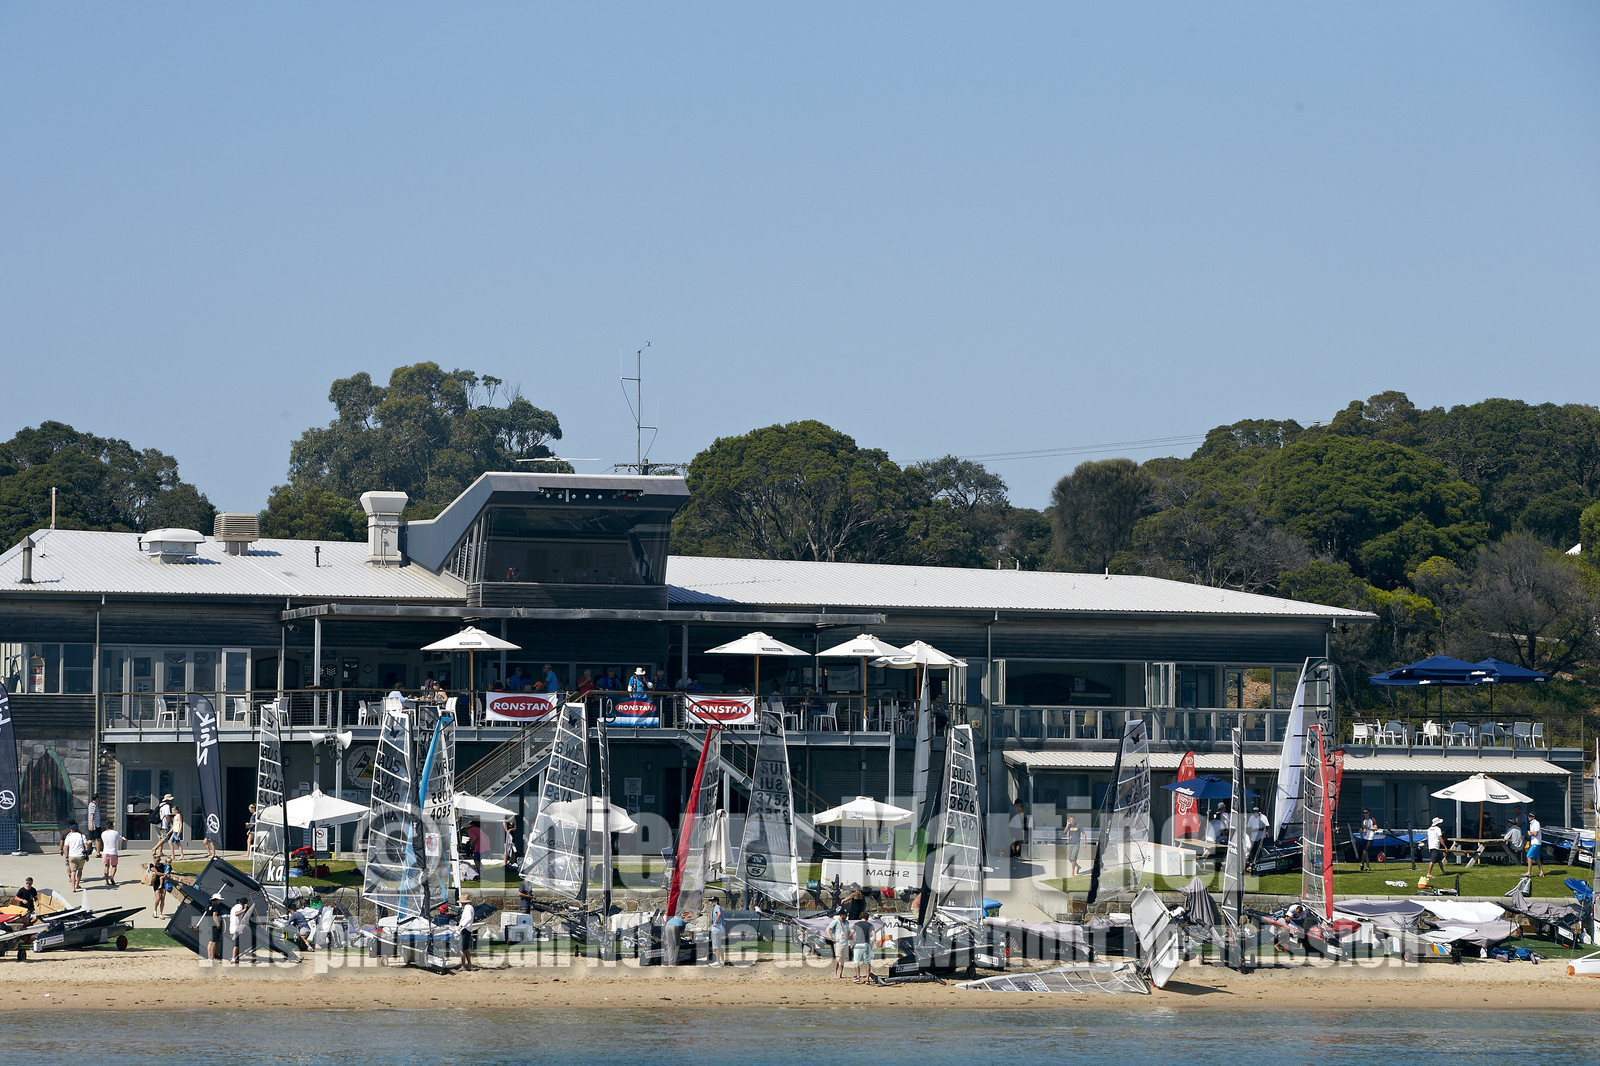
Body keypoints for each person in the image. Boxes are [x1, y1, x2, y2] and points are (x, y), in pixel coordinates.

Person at [61, 821, 88, 891]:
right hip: (80, 856)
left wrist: (66, 856)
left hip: (72, 856)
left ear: (71, 830)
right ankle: (77, 884)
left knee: (73, 872)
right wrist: (86, 853)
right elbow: (86, 846)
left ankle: (73, 888)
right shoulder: (82, 836)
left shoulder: (68, 836)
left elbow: (65, 847)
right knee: (80, 870)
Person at [205, 891, 228, 961]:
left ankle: (209, 957)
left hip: (209, 924)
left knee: (210, 941)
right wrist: (218, 924)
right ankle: (212, 957)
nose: (220, 901)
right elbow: (214, 916)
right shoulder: (216, 906)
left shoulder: (209, 906)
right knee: (214, 942)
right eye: (219, 900)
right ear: (217, 900)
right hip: (214, 925)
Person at [1245, 804, 1271, 869]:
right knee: (1253, 850)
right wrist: (1251, 830)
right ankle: (1252, 862)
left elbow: (1267, 827)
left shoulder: (1263, 817)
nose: (1255, 814)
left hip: (1261, 837)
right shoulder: (1251, 817)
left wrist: (1259, 829)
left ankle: (1259, 862)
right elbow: (1249, 826)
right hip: (1253, 837)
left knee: (1259, 850)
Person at [850, 917, 873, 982]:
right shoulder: (870, 925)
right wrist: (871, 945)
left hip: (858, 944)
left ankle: (858, 977)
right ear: (867, 918)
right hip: (866, 943)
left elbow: (850, 935)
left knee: (856, 961)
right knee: (868, 962)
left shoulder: (856, 924)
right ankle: (867, 979)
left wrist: (853, 943)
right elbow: (874, 936)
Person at [152, 793, 175, 862]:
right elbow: (167, 815)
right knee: (164, 838)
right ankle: (154, 848)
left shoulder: (161, 805)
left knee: (160, 839)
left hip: (157, 824)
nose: (171, 801)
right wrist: (171, 822)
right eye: (170, 800)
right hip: (163, 825)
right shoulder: (167, 806)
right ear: (168, 800)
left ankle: (160, 852)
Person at [457, 897, 478, 971]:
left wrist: (461, 925)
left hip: (465, 929)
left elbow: (468, 918)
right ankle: (469, 965)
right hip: (467, 929)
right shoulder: (469, 907)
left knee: (461, 949)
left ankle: (463, 965)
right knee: (465, 949)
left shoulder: (467, 908)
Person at [827, 909, 849, 978]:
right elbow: (828, 929)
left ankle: (840, 974)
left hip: (845, 943)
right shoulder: (836, 921)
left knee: (842, 960)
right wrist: (831, 938)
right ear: (841, 915)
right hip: (838, 943)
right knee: (838, 959)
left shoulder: (847, 922)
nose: (846, 916)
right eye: (845, 915)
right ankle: (835, 974)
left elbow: (847, 931)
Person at [229, 897, 251, 963]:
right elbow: (236, 913)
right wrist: (244, 909)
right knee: (235, 945)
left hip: (233, 927)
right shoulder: (240, 906)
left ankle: (236, 957)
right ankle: (233, 959)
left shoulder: (235, 906)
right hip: (236, 928)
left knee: (236, 944)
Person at [708, 897, 727, 966]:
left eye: (712, 901)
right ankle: (722, 961)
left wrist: (716, 922)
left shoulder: (717, 907)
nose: (711, 903)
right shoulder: (718, 907)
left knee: (716, 946)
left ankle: (717, 961)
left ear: (716, 901)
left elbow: (719, 913)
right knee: (719, 945)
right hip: (720, 929)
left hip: (716, 929)